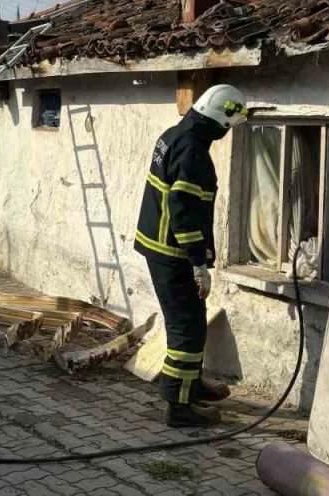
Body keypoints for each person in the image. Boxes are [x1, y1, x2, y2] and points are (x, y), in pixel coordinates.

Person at [134, 85, 248, 428]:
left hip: (158, 245)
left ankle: (190, 384)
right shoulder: (194, 152)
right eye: (228, 126)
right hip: (174, 253)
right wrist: (198, 262)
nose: (227, 133)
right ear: (219, 120)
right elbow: (183, 211)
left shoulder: (174, 133)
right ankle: (180, 407)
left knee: (192, 323)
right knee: (187, 328)